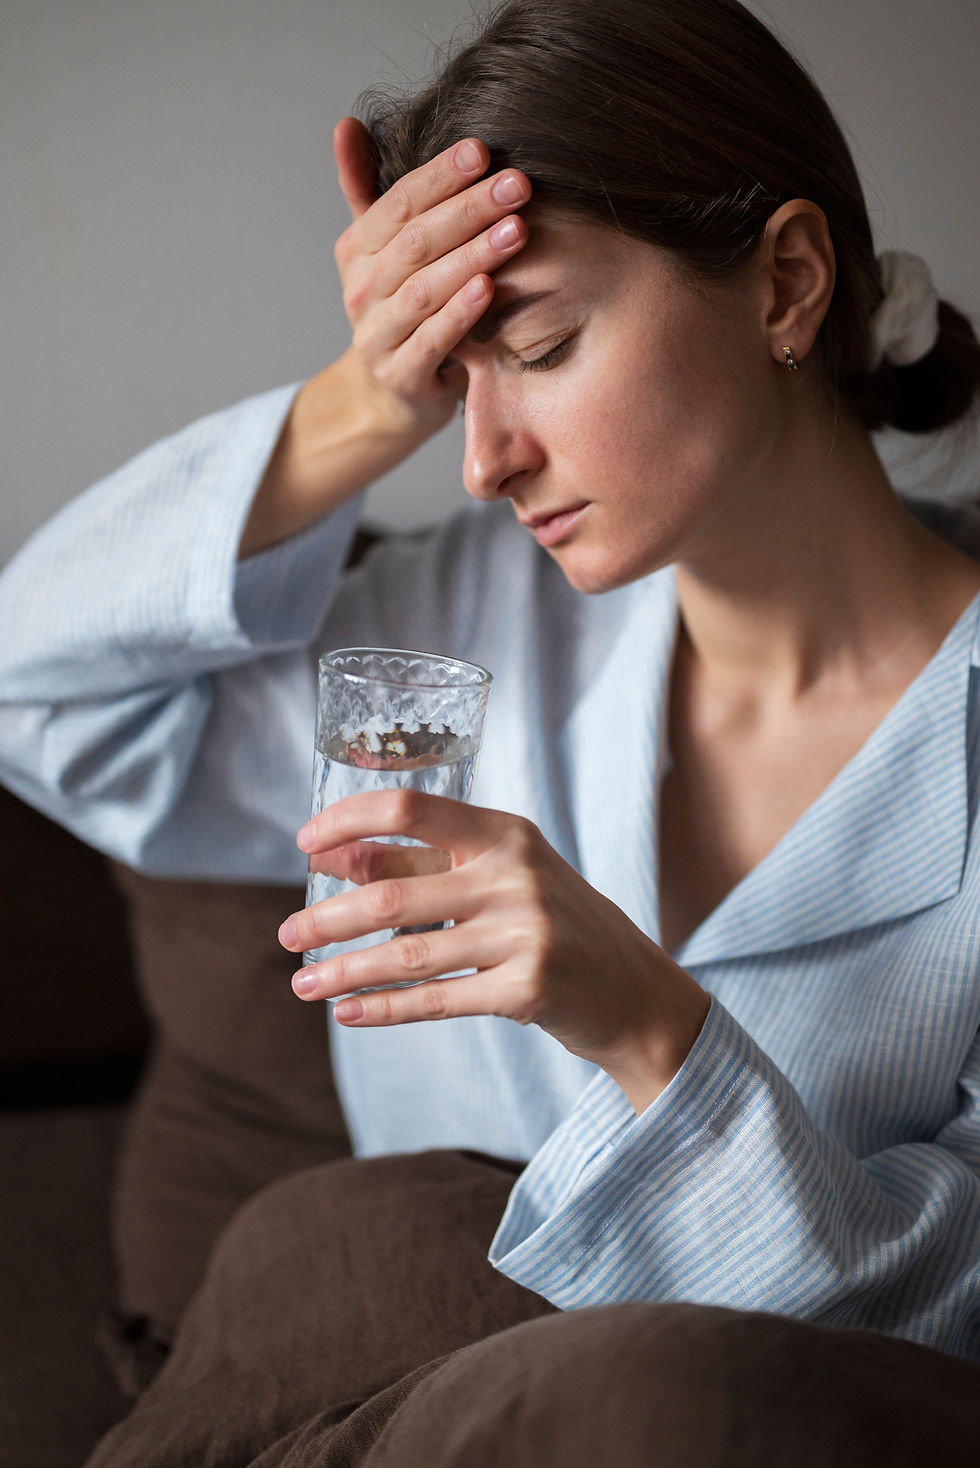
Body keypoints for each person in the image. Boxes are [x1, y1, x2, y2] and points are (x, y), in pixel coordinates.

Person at [2, 0, 979, 1461]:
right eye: (453, 382)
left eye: (541, 343)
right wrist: (356, 403)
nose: (481, 462)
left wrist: (650, 1032)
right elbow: (34, 695)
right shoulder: (448, 635)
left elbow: (943, 1324)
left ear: (784, 282)